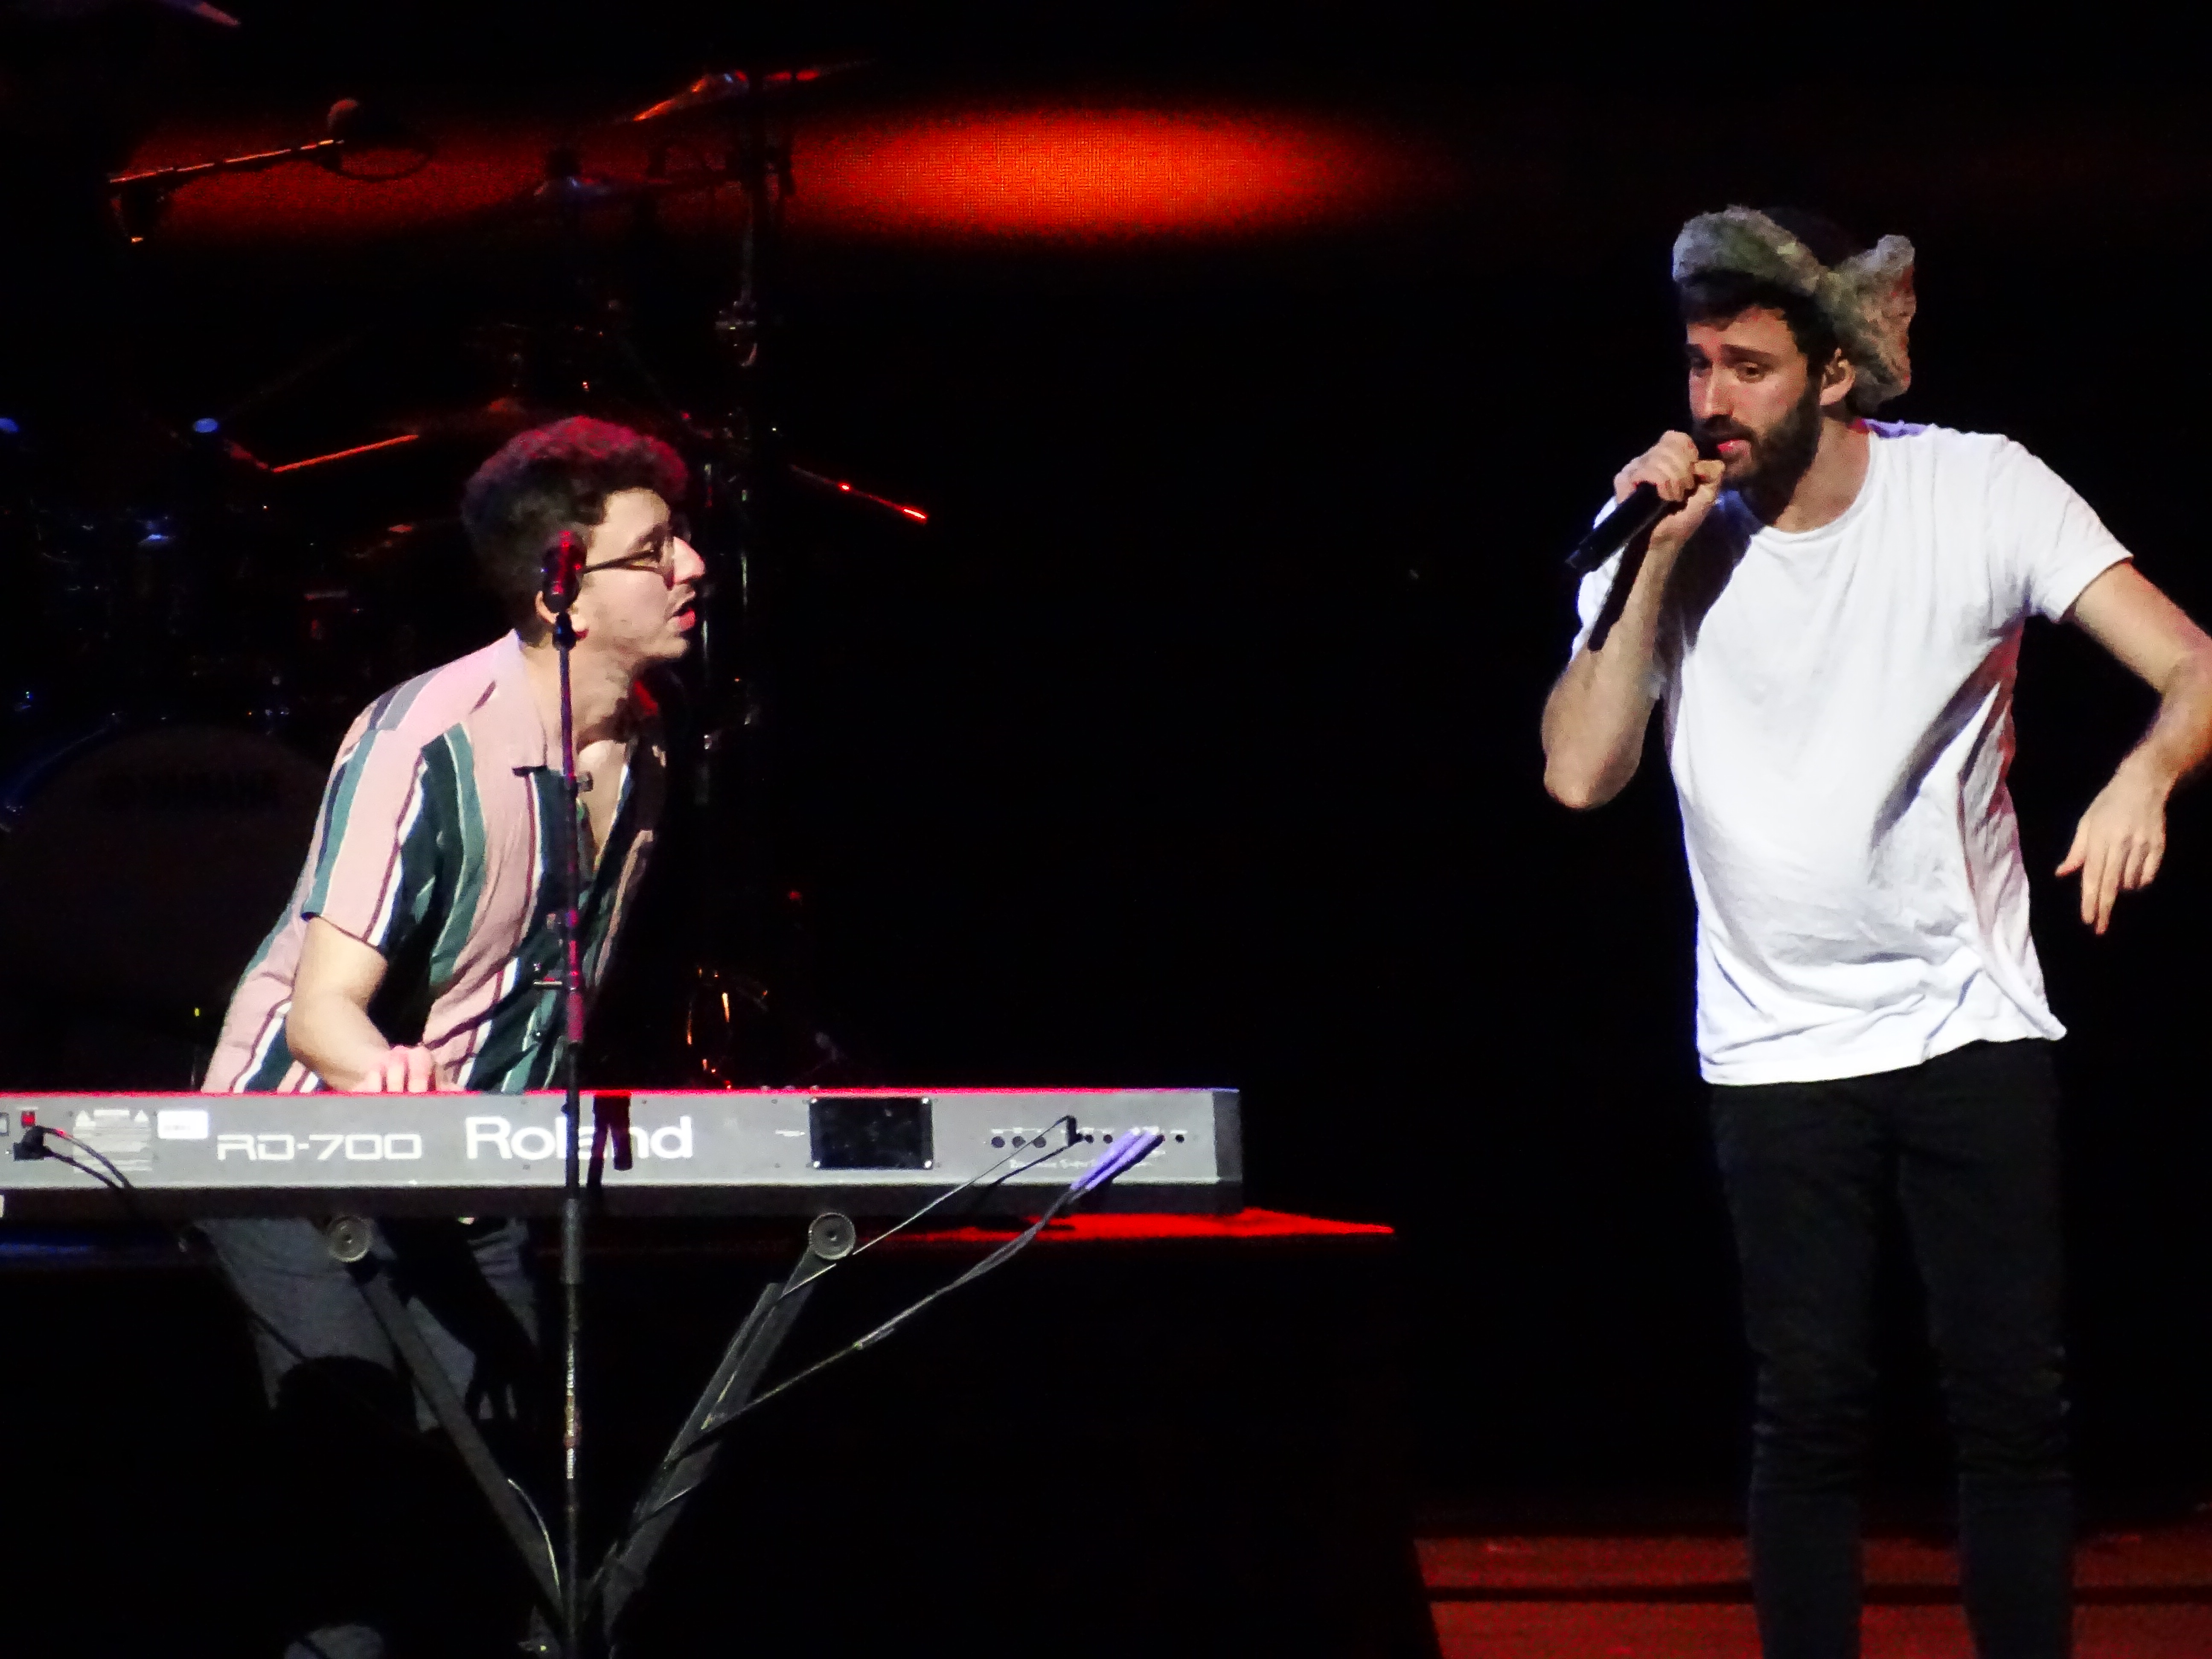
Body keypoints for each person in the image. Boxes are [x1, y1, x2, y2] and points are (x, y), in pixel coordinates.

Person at [1540, 207, 2212, 1659]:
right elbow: (1580, 774)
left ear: (1836, 372)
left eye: (1749, 368)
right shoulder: (1667, 541)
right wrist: (1652, 563)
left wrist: (2147, 774)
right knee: (1809, 1408)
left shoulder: (1976, 490)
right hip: (1774, 1043)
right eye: (1698, 365)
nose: (1711, 400)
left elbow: (2194, 665)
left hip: (1967, 1018)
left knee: (2010, 1403)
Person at [197, 416, 704, 1659]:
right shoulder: (427, 735)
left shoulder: (650, 743)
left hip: (474, 1164)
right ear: (560, 588)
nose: (692, 566)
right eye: (655, 551)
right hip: (297, 1153)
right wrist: (391, 1073)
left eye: (684, 539)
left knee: (510, 1511)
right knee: (361, 1499)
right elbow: (322, 1014)